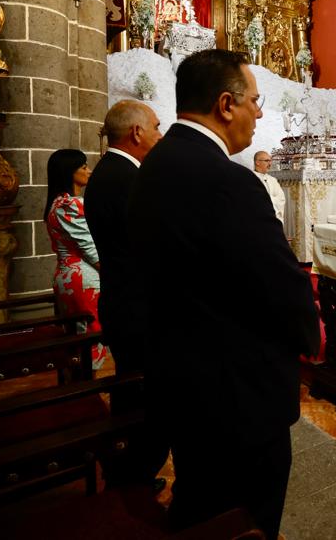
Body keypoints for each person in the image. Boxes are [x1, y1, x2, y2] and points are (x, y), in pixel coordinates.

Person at [128, 49, 319, 536]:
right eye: (254, 101)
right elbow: (278, 284)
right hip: (237, 392)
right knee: (246, 516)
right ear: (226, 104)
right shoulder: (228, 181)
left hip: (181, 376)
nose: (260, 112)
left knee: (201, 501)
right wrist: (310, 334)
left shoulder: (152, 166)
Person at [84, 100, 166, 487]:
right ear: (136, 132)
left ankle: (130, 470)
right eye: (156, 126)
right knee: (147, 398)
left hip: (124, 300)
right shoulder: (126, 178)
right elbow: (150, 245)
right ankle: (134, 479)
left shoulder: (110, 171)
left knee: (133, 392)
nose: (159, 135)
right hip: (137, 308)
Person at [44, 149, 105, 369]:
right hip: (82, 278)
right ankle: (90, 394)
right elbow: (90, 248)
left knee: (81, 341)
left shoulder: (61, 203)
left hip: (70, 274)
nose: (88, 171)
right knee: (90, 342)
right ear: (70, 172)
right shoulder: (68, 205)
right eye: (83, 167)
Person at [253, 150, 286, 223]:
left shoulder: (273, 180)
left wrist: (267, 198)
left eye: (270, 161)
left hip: (274, 218)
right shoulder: (250, 178)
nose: (270, 164)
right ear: (257, 162)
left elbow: (281, 199)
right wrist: (270, 199)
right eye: (267, 161)